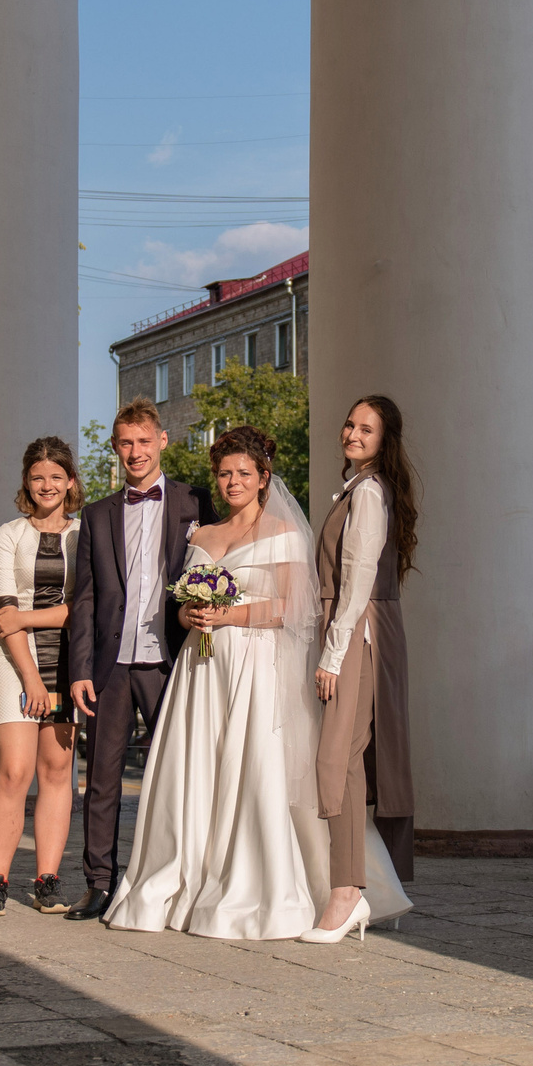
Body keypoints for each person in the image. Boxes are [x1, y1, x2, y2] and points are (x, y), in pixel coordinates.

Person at [106, 427, 407, 940]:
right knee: (196, 772)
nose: (233, 482)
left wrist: (229, 614)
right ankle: (182, 880)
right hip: (202, 674)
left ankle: (267, 891)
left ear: (264, 478)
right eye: (224, 474)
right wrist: (191, 617)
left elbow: (295, 608)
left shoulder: (284, 534)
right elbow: (179, 608)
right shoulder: (199, 536)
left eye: (244, 473)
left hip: (256, 671)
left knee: (253, 772)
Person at [62, 399, 202, 921]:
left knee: (180, 772)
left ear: (162, 441)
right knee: (101, 777)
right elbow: (85, 599)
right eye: (125, 443)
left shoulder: (195, 503)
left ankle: (180, 878)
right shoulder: (97, 515)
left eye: (144, 441)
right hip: (110, 665)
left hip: (172, 660)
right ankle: (100, 883)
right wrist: (79, 670)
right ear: (116, 447)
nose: (135, 452)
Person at [308, 394, 419, 944]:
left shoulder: (369, 494)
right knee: (348, 761)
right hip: (356, 629)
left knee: (339, 758)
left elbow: (357, 582)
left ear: (383, 440)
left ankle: (348, 892)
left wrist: (332, 654)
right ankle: (361, 887)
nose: (353, 433)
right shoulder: (356, 489)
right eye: (350, 423)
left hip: (357, 633)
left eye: (366, 429)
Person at [0, 438, 84, 917]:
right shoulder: (7, 535)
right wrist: (32, 681)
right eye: (38, 477)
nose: (47, 485)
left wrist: (28, 618)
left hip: (67, 661)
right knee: (15, 770)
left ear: (70, 482)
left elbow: (82, 612)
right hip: (15, 665)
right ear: (27, 482)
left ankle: (47, 880)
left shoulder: (85, 535)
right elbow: (4, 615)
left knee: (58, 771)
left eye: (56, 476)